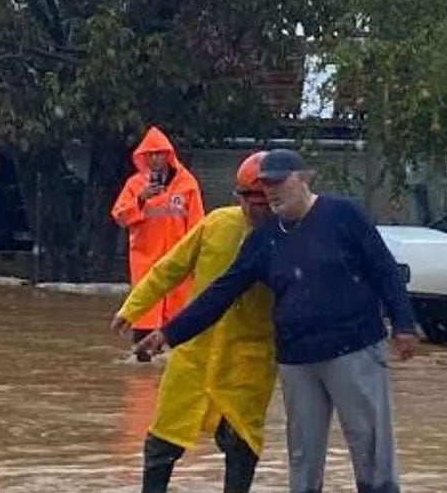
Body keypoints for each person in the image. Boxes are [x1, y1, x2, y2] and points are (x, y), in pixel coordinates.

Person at [136, 149, 419, 493]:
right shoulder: (265, 237)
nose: (271, 192)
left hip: (354, 349)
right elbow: (221, 292)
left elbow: (383, 268)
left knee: (371, 445)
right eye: (265, 185)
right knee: (303, 455)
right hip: (296, 359)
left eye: (278, 182)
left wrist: (404, 324)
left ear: (304, 178)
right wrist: (168, 334)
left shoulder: (343, 214)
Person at [111, 151, 277, 493]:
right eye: (251, 200)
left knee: (241, 445)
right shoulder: (217, 224)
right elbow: (170, 268)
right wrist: (133, 308)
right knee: (162, 441)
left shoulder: (291, 237)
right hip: (194, 353)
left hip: (248, 362)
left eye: (265, 202)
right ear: (239, 197)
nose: (257, 210)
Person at [112, 126, 204, 361]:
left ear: (168, 155)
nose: (154, 160)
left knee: (178, 326)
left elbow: (198, 225)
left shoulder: (188, 184)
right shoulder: (134, 185)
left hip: (179, 265)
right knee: (144, 322)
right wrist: (140, 200)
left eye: (159, 154)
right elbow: (120, 216)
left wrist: (197, 260)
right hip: (146, 264)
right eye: (149, 155)